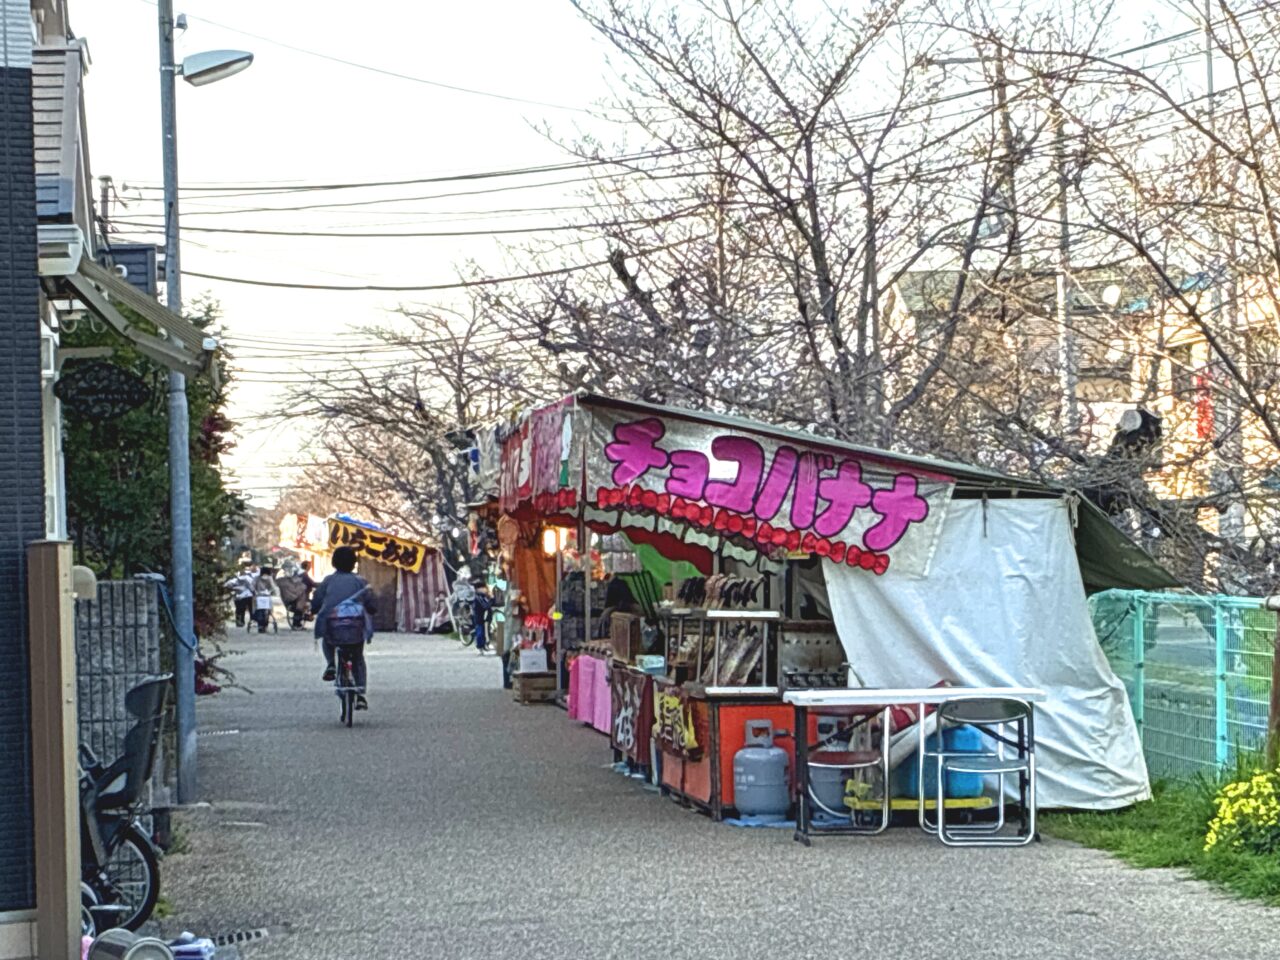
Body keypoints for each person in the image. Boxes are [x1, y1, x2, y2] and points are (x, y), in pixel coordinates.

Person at [312, 546, 376, 710]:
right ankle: (360, 693)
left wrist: (314, 610)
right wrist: (371, 609)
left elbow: (317, 600)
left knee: (328, 640)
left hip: (333, 625)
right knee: (357, 657)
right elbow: (370, 601)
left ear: (334, 563)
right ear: (354, 563)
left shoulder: (328, 581)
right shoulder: (360, 581)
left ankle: (331, 664)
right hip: (354, 626)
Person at [223, 563, 255, 627]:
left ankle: (240, 622)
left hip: (240, 596)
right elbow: (252, 587)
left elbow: (226, 585)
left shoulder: (235, 580)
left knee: (239, 610)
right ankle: (250, 621)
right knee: (249, 609)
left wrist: (233, 589)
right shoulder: (247, 579)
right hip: (246, 596)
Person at [471, 583, 493, 655]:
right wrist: (491, 600)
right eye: (483, 588)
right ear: (478, 590)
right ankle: (480, 647)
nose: (485, 589)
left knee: (484, 632)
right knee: (480, 633)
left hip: (484, 618)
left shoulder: (483, 597)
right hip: (479, 618)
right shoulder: (478, 598)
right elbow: (485, 606)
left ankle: (483, 646)